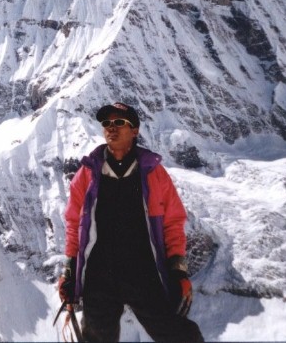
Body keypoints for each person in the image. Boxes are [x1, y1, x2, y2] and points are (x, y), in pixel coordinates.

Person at [58, 102, 204, 342]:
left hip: (143, 271)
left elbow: (173, 223)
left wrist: (179, 272)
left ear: (135, 131)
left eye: (119, 123)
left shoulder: (153, 173)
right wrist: (69, 270)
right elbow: (74, 224)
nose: (111, 128)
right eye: (106, 123)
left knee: (178, 334)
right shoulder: (88, 173)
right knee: (95, 337)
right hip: (99, 274)